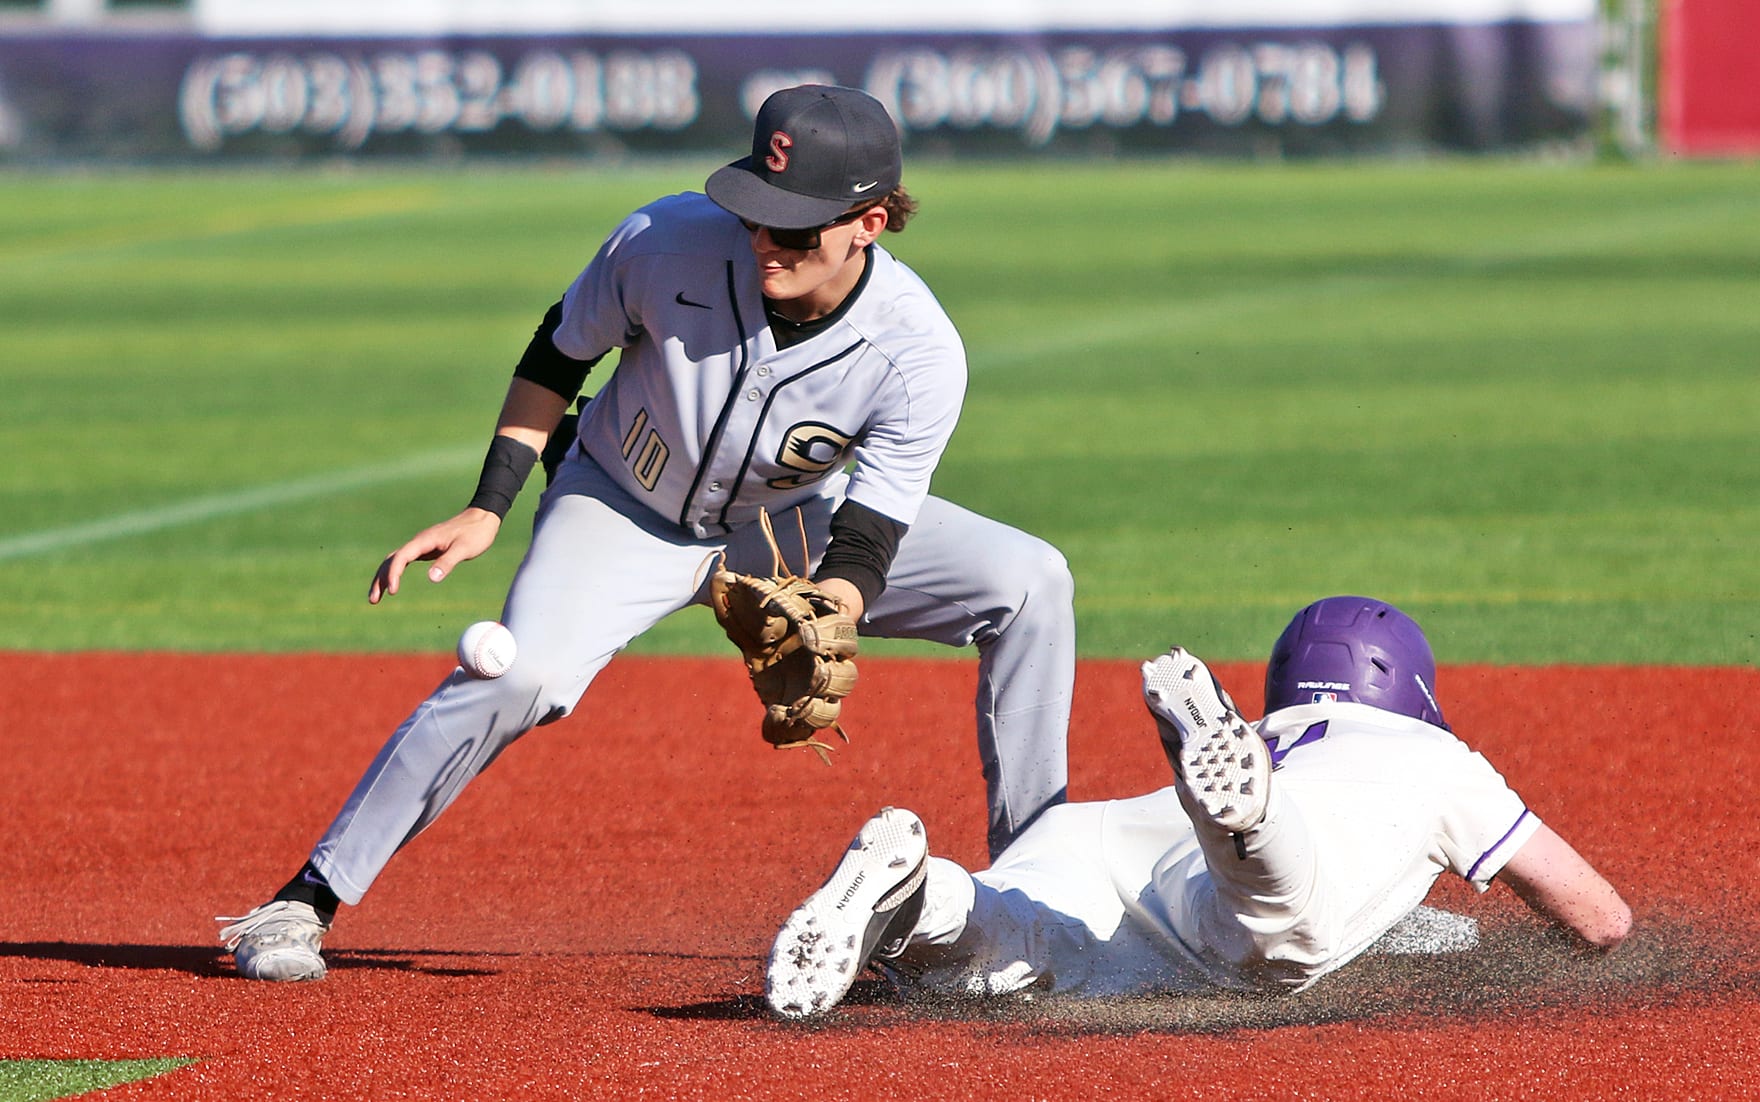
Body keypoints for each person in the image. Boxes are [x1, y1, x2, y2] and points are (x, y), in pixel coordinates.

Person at [218, 85, 1075, 982]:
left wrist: (830, 608)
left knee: (1030, 582)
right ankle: (302, 901)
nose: (763, 242)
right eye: (755, 213)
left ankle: (1030, 898)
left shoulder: (916, 351)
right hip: (620, 505)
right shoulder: (666, 241)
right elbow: (559, 352)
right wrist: (490, 503)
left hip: (787, 526)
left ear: (869, 222)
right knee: (520, 674)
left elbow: (871, 529)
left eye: (793, 229)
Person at [764, 595, 1631, 1019]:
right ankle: (1244, 819)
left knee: (1000, 938)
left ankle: (921, 893)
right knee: (1278, 925)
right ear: (1407, 686)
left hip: (1102, 836)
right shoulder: (1438, 758)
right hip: (1242, 868)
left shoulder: (1280, 721)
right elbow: (1598, 919)